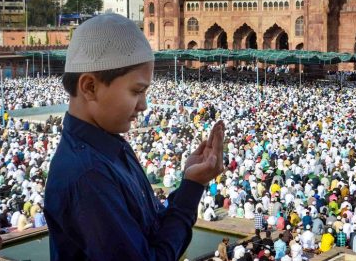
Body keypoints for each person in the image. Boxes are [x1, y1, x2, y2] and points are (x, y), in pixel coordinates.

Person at [45, 14, 225, 260]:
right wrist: (192, 189)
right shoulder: (87, 175)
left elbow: (152, 232)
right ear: (90, 87)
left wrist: (191, 183)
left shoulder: (110, 147)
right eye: (137, 91)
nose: (143, 105)